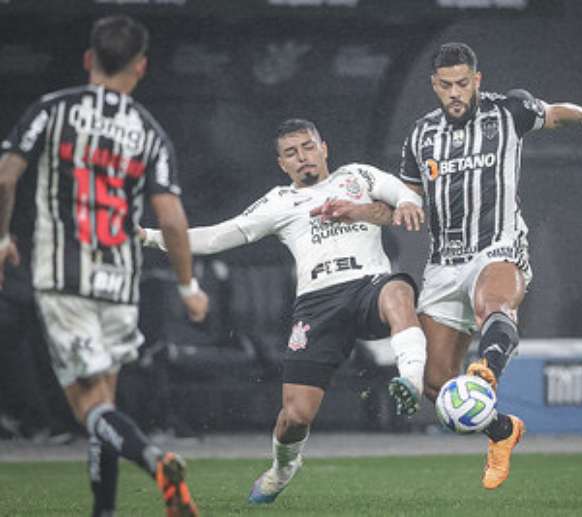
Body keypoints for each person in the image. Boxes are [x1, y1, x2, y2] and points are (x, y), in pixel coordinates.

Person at [140, 118, 428, 505]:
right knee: (295, 416)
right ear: (282, 164)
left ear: (323, 148)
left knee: (398, 289)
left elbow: (403, 193)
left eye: (308, 147)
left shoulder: (357, 175)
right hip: (317, 305)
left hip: (366, 287)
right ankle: (283, 467)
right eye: (292, 153)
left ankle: (410, 379)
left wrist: (408, 203)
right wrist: (150, 237)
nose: (303, 157)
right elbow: (218, 235)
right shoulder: (279, 202)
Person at [0, 15, 208, 517]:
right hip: (119, 280)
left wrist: (3, 235)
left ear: (89, 59)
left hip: (63, 276)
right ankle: (104, 511)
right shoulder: (149, 131)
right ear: (141, 66)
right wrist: (187, 286)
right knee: (107, 402)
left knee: (89, 409)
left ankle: (154, 458)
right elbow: (172, 219)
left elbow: (6, 177)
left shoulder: (52, 110)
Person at [399, 42, 582, 490]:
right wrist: (371, 210)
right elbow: (407, 199)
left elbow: (553, 112)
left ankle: (487, 369)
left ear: (477, 80)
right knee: (435, 384)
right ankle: (502, 429)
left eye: (462, 83)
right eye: (445, 85)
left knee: (494, 303)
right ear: (433, 86)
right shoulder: (420, 135)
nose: (454, 93)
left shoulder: (508, 111)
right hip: (442, 264)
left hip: (497, 245)